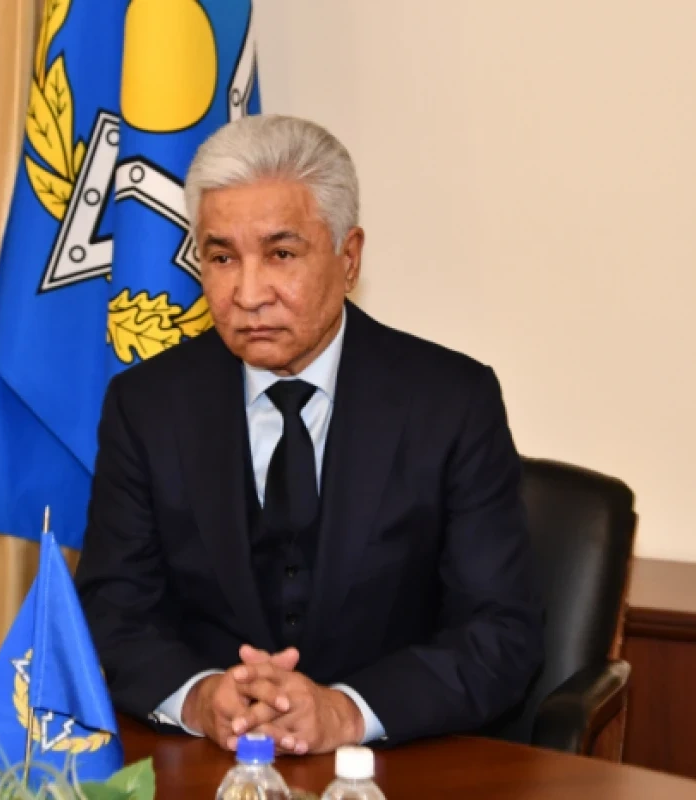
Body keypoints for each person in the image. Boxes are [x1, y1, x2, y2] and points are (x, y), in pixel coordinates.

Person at [75, 114, 543, 755]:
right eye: (221, 258)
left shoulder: (451, 402)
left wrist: (347, 713)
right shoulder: (147, 405)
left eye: (281, 255)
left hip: (395, 766)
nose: (248, 294)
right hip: (208, 764)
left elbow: (500, 630)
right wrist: (200, 698)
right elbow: (112, 609)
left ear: (349, 258)